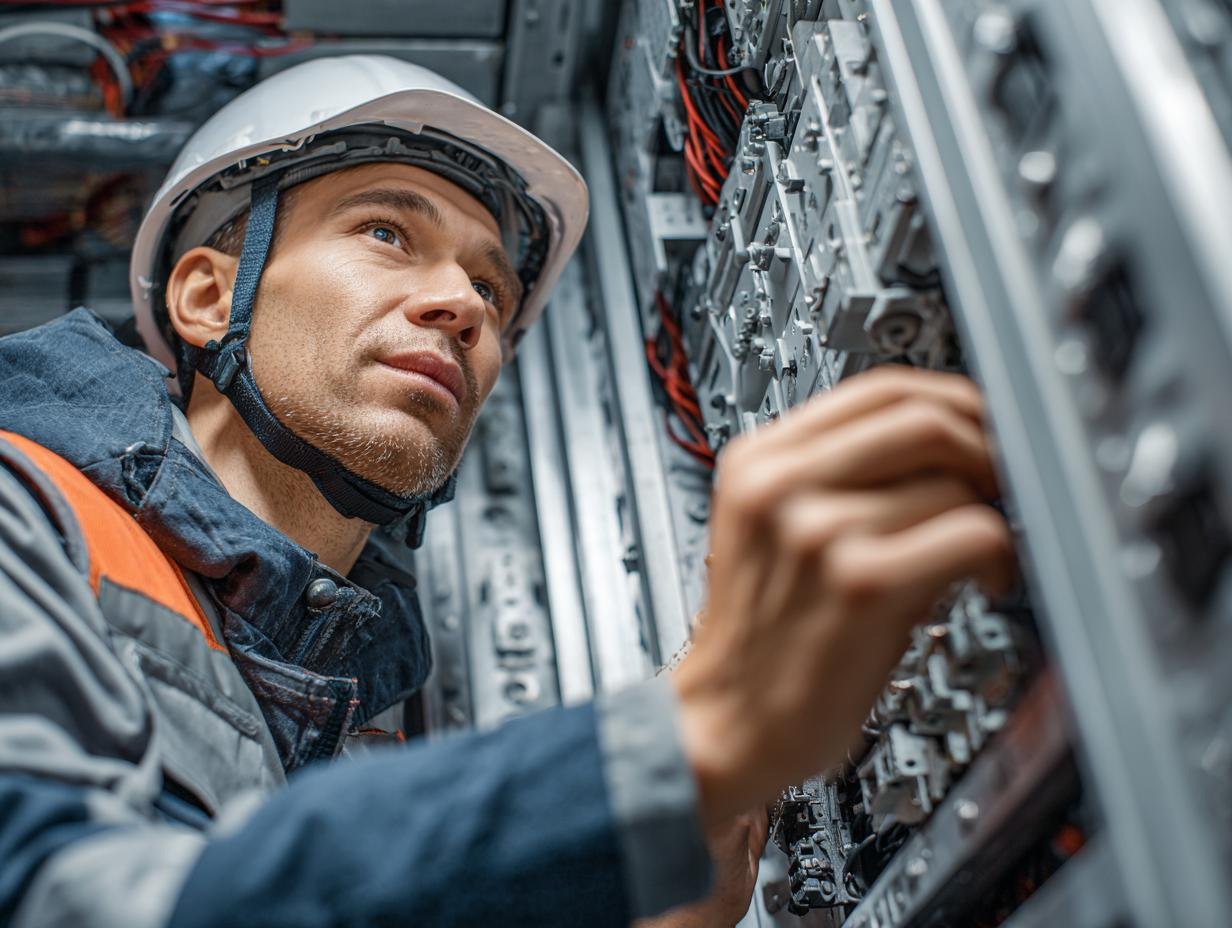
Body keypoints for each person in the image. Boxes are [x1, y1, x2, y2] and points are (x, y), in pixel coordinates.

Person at [0, 56, 1015, 928]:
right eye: (385, 233)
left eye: (490, 288)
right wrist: (668, 755)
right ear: (208, 295)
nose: (460, 308)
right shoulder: (22, 513)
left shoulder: (348, 723)